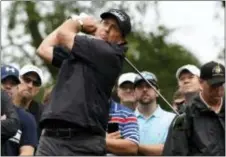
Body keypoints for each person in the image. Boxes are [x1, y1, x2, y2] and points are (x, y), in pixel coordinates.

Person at [36, 9, 132, 155]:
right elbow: (43, 49)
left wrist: (78, 21)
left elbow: (63, 35)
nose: (106, 29)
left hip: (82, 143)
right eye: (105, 23)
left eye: (114, 28)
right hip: (51, 139)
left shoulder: (110, 54)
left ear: (121, 40)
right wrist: (74, 20)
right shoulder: (80, 51)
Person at [163, 61, 225, 156]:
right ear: (201, 83)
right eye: (213, 85)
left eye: (220, 84)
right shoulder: (184, 117)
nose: (218, 89)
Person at [134, 71, 176, 156]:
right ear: (134, 93)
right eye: (140, 87)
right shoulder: (124, 119)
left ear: (157, 92)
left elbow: (170, 149)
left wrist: (131, 147)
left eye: (149, 86)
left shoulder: (172, 119)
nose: (144, 89)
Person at [1, 65, 38, 156]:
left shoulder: (26, 118)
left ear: (18, 88)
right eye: (4, 82)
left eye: (13, 83)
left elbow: (27, 153)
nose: (8, 86)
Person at [14, 64, 44, 139]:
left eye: (36, 83)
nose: (30, 86)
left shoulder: (43, 115)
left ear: (37, 90)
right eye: (27, 79)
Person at [1, 90, 20, 156]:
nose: (8, 86)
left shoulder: (3, 96)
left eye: (13, 83)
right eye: (5, 83)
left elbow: (13, 126)